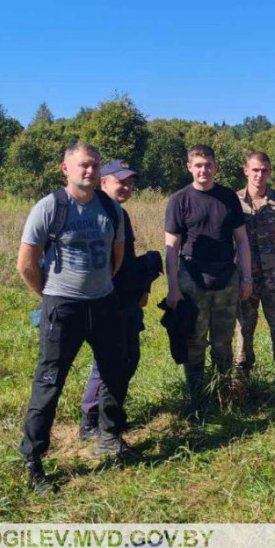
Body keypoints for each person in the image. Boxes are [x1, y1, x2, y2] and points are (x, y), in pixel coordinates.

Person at [16, 143, 132, 494]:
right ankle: (33, 461)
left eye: (95, 166)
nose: (90, 171)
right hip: (62, 309)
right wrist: (51, 296)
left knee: (115, 371)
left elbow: (117, 257)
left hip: (103, 304)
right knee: (49, 383)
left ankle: (110, 436)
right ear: (65, 169)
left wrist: (99, 289)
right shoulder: (50, 207)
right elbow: (26, 264)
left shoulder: (111, 210)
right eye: (83, 165)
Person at [165, 144, 253, 415]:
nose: (204, 170)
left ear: (216, 166)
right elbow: (171, 247)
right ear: (189, 167)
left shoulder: (228, 197)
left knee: (223, 341)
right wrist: (173, 288)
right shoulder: (179, 200)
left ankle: (223, 393)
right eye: (198, 165)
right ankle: (197, 397)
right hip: (192, 280)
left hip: (227, 278)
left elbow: (241, 240)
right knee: (194, 340)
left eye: (208, 165)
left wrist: (246, 278)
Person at [79, 160, 161, 440]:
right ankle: (91, 419)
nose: (126, 186)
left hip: (125, 297)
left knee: (128, 358)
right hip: (106, 299)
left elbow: (124, 261)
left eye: (129, 182)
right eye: (119, 181)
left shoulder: (119, 213)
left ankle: (110, 413)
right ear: (104, 182)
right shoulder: (96, 213)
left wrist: (144, 280)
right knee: (107, 361)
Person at [234, 151, 275, 394]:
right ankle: (242, 381)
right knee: (243, 329)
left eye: (264, 170)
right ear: (246, 171)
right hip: (245, 279)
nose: (259, 175)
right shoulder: (235, 202)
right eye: (255, 170)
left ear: (269, 172)